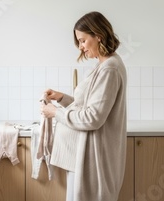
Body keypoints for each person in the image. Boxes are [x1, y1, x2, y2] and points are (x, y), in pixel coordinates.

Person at [41, 11, 127, 201]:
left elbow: (92, 118)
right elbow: (88, 107)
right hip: (87, 157)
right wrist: (62, 98)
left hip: (95, 158)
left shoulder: (109, 69)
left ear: (98, 36)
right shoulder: (104, 65)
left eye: (82, 40)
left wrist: (56, 113)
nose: (80, 47)